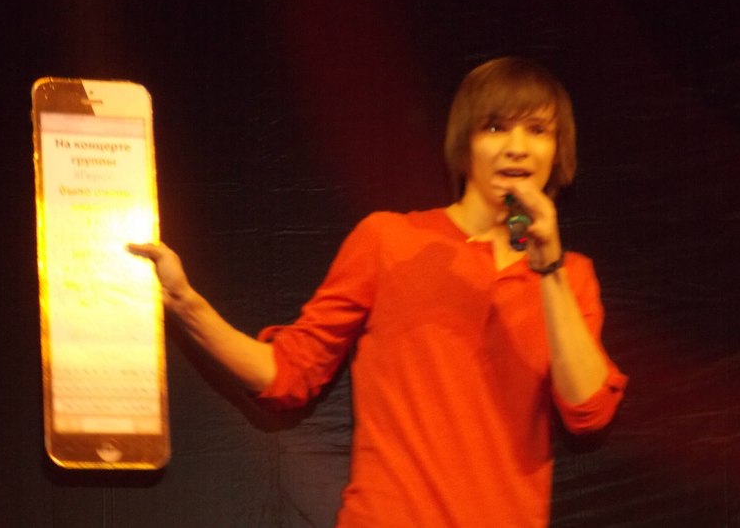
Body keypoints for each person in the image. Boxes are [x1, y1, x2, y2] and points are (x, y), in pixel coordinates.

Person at [128, 56, 627, 527]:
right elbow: (287, 373)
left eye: (537, 130)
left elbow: (588, 411)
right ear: (465, 143)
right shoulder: (389, 241)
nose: (517, 146)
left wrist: (549, 269)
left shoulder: (572, 277)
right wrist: (187, 305)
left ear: (558, 150)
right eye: (496, 127)